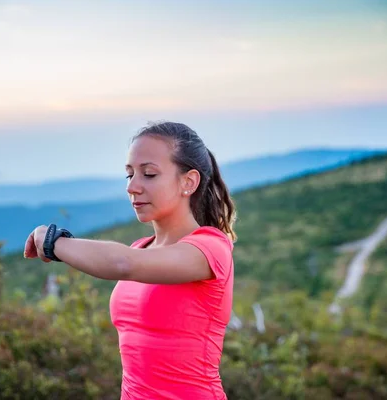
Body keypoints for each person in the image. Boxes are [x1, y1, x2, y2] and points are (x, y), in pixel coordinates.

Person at [24, 121, 237, 399]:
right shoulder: (141, 247)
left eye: (149, 174)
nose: (133, 187)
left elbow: (123, 263)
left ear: (189, 182)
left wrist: (53, 241)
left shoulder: (210, 249)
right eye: (129, 175)